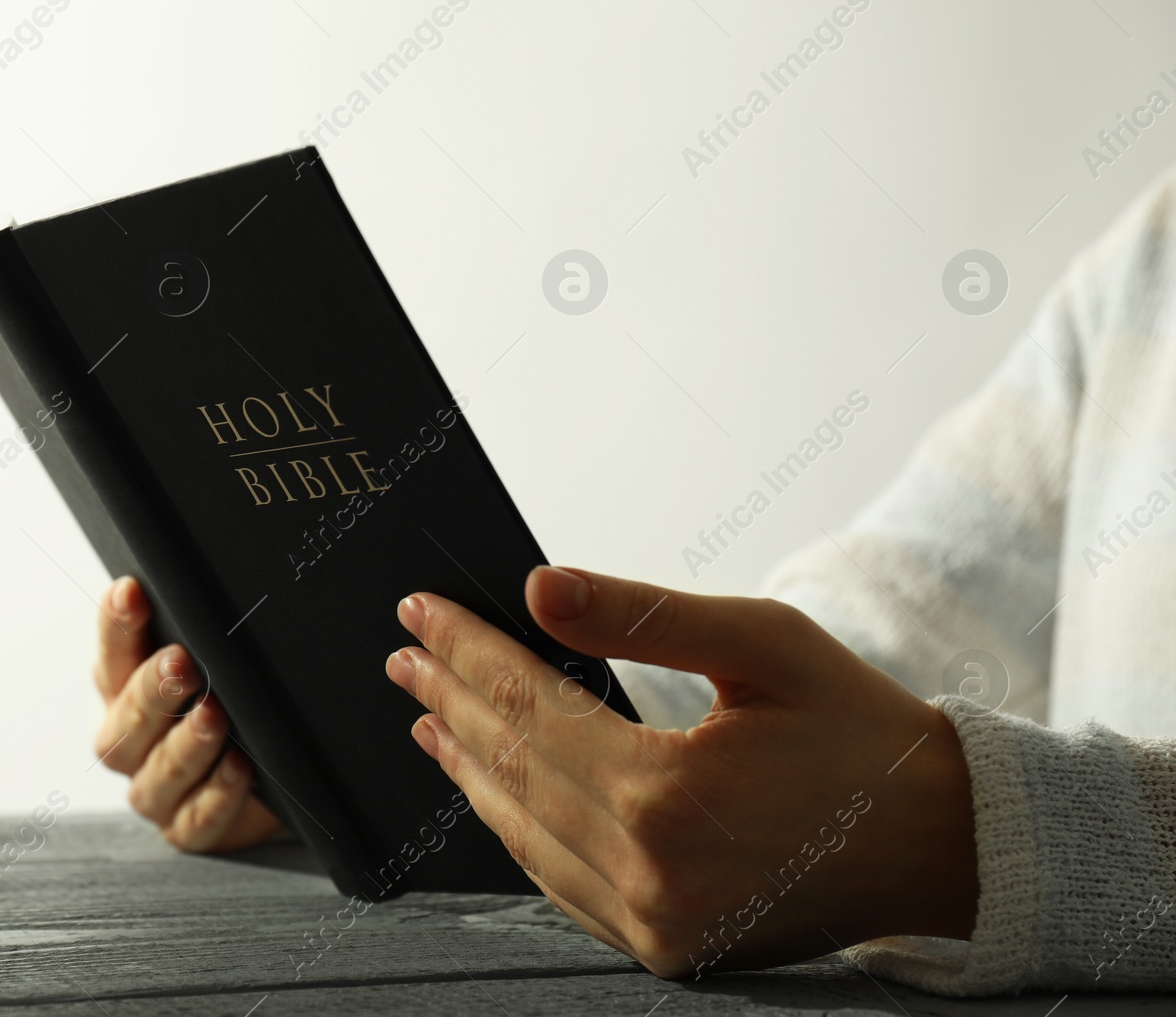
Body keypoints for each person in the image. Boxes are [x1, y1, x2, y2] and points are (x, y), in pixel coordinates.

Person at [92, 165, 1176, 996]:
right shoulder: (1150, 257)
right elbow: (890, 625)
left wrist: (969, 835)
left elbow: (914, 774)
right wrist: (348, 743)